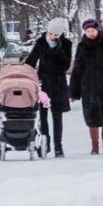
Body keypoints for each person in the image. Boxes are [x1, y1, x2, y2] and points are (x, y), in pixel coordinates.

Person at [70, 19, 103, 155]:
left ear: (97, 30)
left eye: (93, 31)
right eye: (88, 31)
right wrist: (74, 91)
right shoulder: (82, 46)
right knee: (91, 117)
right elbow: (77, 69)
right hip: (88, 87)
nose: (91, 33)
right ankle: (95, 145)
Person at [24, 18, 72, 157]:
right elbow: (31, 60)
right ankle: (45, 144)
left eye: (56, 35)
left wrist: (59, 51)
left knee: (57, 116)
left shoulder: (66, 44)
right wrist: (26, 72)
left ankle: (58, 146)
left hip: (58, 83)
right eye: (51, 34)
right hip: (43, 83)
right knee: (43, 116)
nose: (52, 37)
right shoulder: (41, 42)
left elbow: (66, 65)